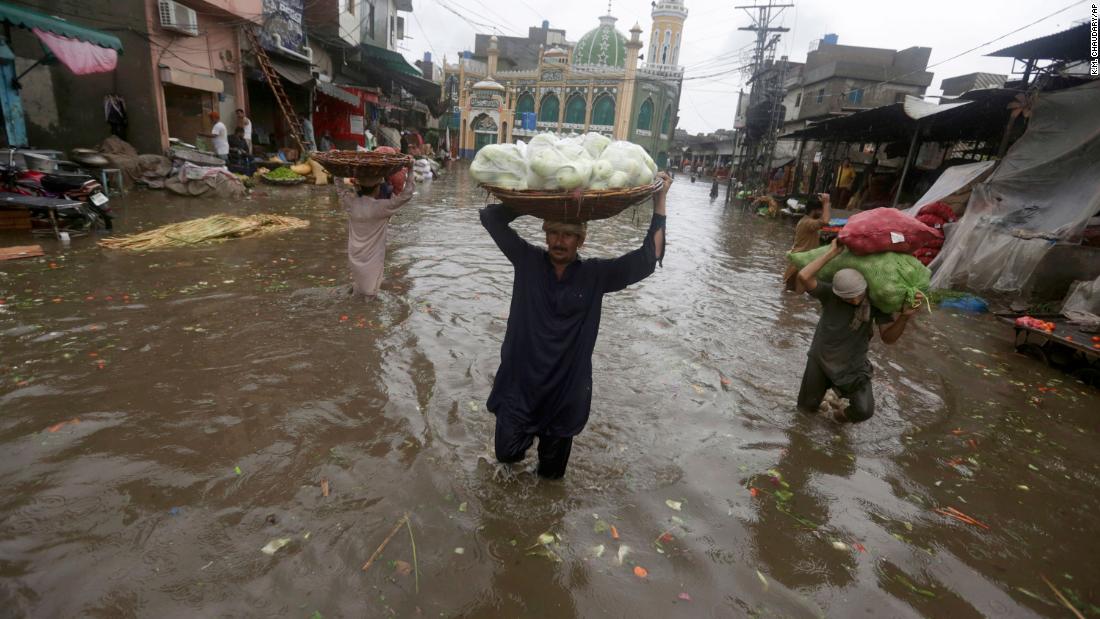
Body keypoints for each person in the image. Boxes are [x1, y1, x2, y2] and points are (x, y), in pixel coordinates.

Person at [479, 172, 673, 479]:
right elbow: (490, 217)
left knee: (551, 479)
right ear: (545, 236)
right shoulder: (526, 260)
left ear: (581, 240)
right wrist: (542, 202)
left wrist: (660, 200)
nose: (559, 241)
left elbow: (650, 258)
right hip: (521, 385)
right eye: (553, 233)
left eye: (568, 234)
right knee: (505, 457)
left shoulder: (596, 275)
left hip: (565, 392)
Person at [795, 239, 923, 423]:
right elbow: (804, 276)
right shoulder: (829, 294)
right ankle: (826, 401)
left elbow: (888, 338)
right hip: (821, 358)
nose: (855, 301)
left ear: (866, 288)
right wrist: (831, 253)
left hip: (853, 365)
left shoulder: (876, 303)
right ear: (838, 293)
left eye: (859, 295)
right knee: (805, 410)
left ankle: (837, 418)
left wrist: (905, 316)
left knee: (864, 411)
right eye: (848, 298)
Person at [339, 164, 416, 296]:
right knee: (370, 293)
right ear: (377, 189)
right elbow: (407, 194)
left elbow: (339, 188)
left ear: (359, 187)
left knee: (359, 287)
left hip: (354, 255)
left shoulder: (350, 204)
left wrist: (337, 171)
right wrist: (411, 169)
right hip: (372, 257)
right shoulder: (382, 207)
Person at [783, 193, 831, 290]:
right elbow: (825, 221)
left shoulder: (804, 221)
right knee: (797, 298)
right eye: (821, 210)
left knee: (791, 297)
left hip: (798, 263)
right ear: (815, 210)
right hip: (801, 264)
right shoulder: (808, 223)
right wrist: (826, 203)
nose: (822, 213)